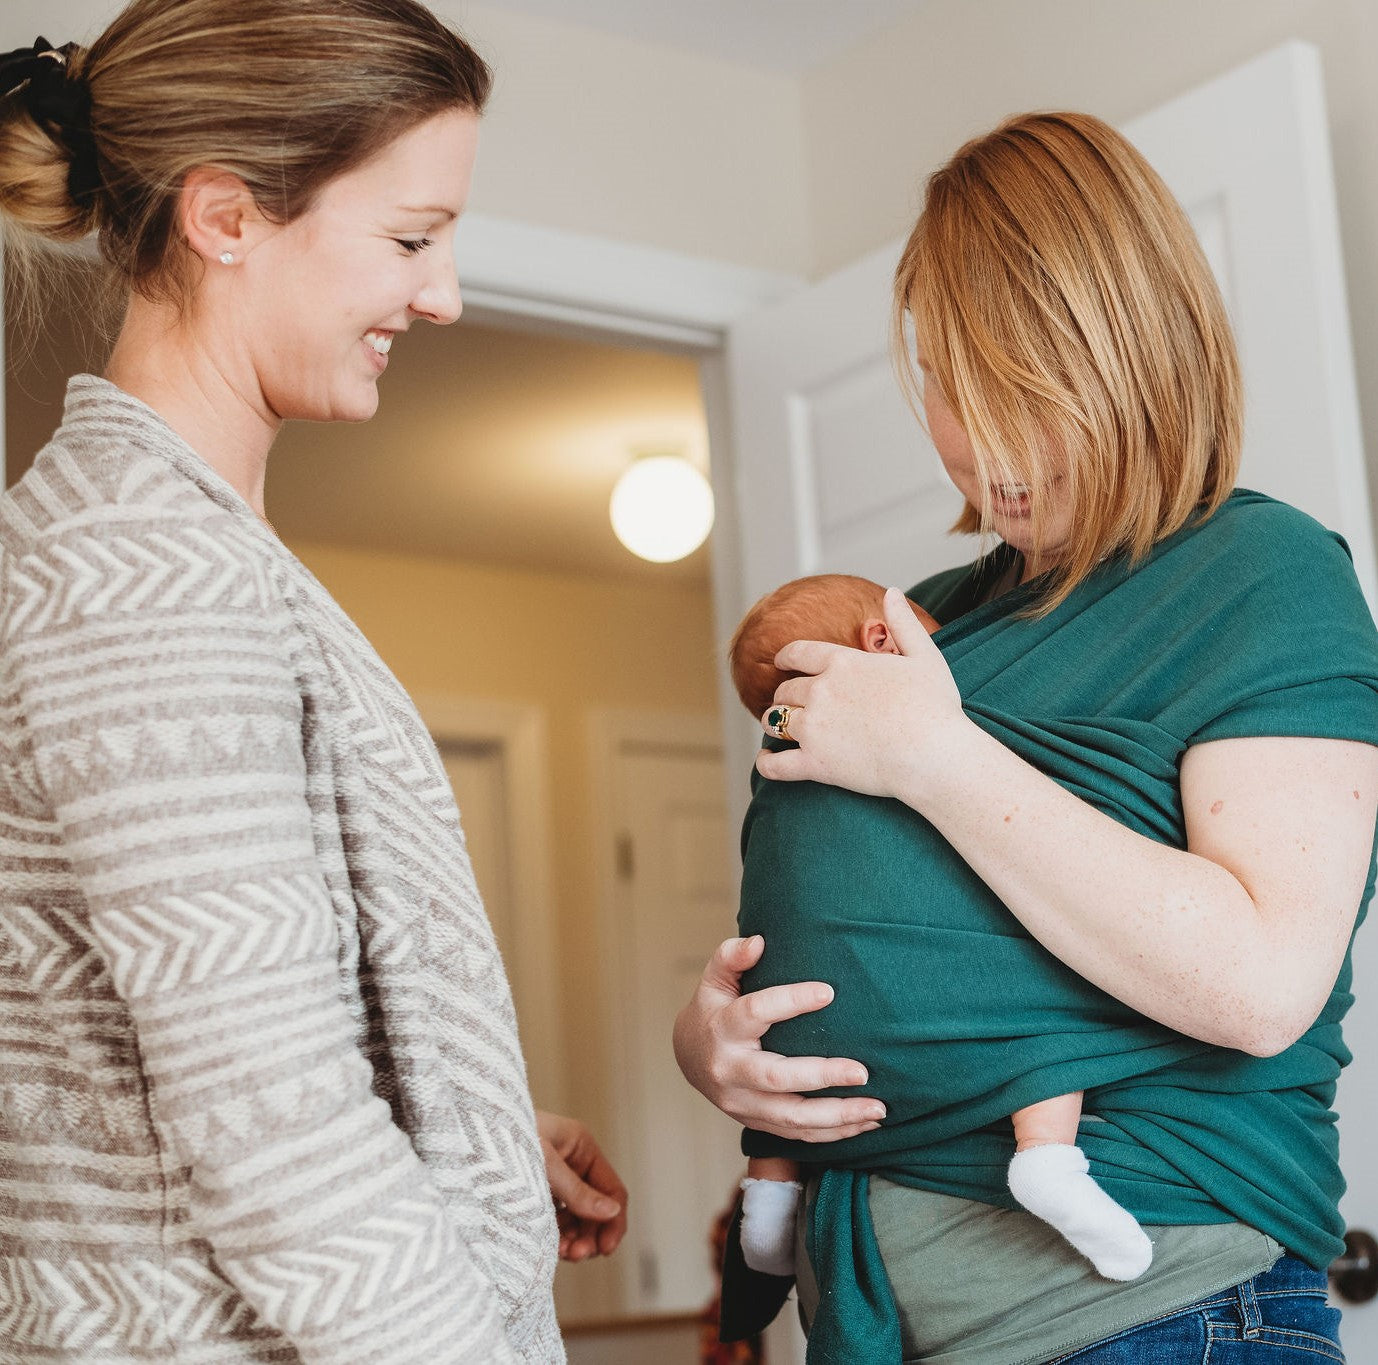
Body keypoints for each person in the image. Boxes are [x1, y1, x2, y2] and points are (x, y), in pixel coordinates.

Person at [676, 111, 1378, 1363]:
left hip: (1153, 1315)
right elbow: (866, 911)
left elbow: (1264, 985)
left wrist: (934, 759)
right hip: (878, 1314)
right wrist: (720, 1049)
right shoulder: (916, 620)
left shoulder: (1259, 574)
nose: (980, 447)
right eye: (947, 383)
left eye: (1021, 392)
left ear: (1133, 358)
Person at [0, 5, 623, 1362]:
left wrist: (472, 1130)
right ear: (226, 218)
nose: (443, 294)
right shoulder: (144, 566)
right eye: (410, 238)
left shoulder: (162, 541)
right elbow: (265, 1122)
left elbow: (191, 1034)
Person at [728, 573, 1152, 1284]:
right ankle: (1046, 1155)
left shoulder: (778, 773)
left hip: (798, 1020)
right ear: (884, 642)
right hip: (937, 1009)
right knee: (1041, 1002)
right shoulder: (935, 727)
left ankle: (769, 1191)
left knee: (782, 1057)